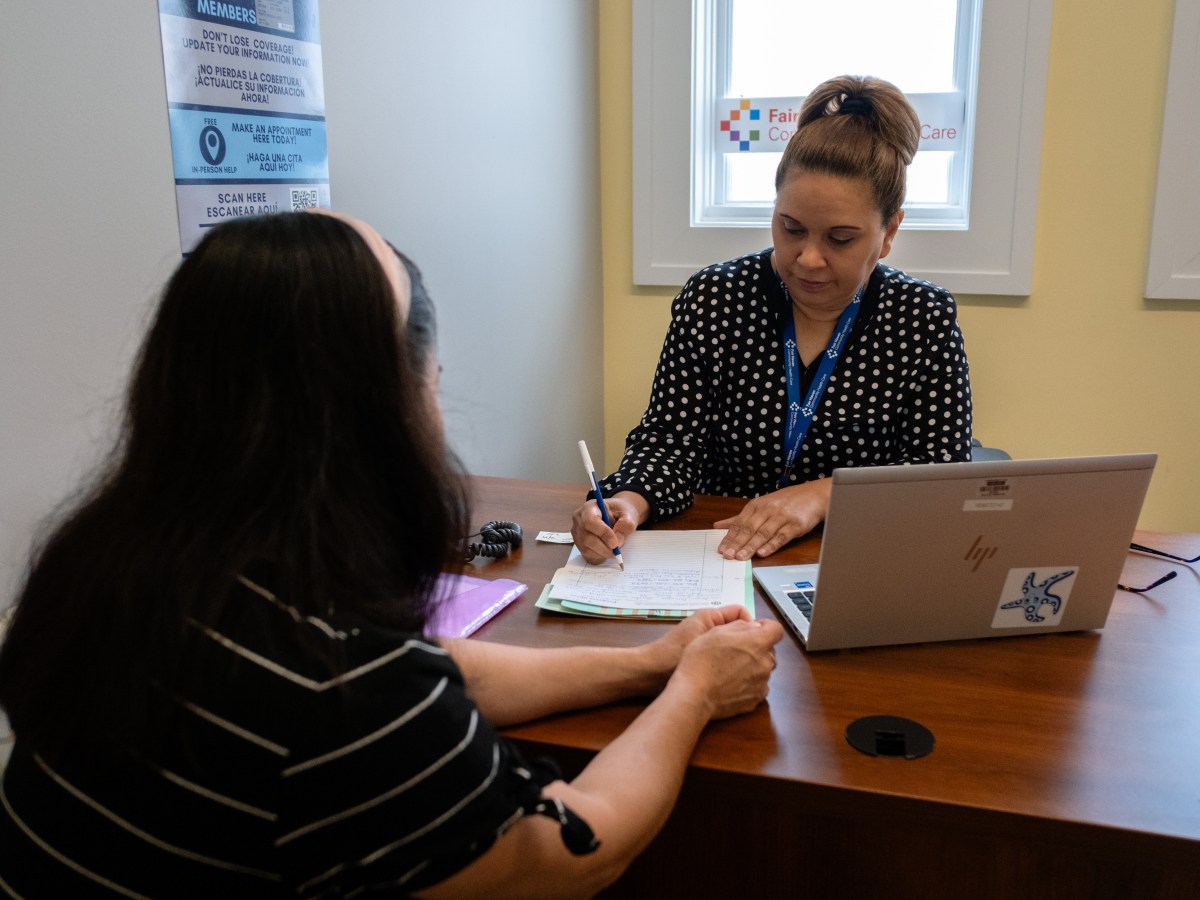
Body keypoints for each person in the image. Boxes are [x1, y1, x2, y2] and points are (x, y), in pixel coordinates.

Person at [0, 211, 783, 898]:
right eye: (432, 381)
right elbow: (574, 854)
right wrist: (695, 696)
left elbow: (442, 665)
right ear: (392, 405)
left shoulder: (99, 569)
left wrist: (655, 662)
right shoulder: (343, 692)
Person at [572, 74, 972, 565]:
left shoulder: (922, 319)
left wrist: (824, 495)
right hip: (718, 554)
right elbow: (670, 442)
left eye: (840, 239)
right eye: (791, 228)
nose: (808, 258)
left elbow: (938, 479)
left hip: (852, 561)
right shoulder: (715, 298)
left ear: (889, 231)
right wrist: (625, 503)